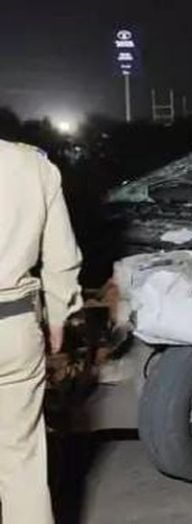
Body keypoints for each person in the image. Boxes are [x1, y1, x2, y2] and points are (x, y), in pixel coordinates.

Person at [0, 140, 83, 523]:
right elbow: (61, 257)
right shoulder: (32, 165)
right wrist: (57, 317)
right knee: (21, 464)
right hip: (13, 329)